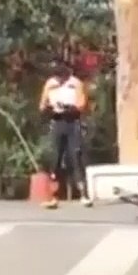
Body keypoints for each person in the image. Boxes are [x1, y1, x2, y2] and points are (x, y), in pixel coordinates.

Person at [39, 61, 92, 209]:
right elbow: (42, 105)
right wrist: (50, 107)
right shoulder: (50, 83)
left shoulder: (75, 83)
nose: (60, 78)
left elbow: (82, 103)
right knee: (56, 157)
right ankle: (53, 195)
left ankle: (83, 193)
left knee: (76, 155)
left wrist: (70, 108)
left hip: (72, 121)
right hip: (57, 121)